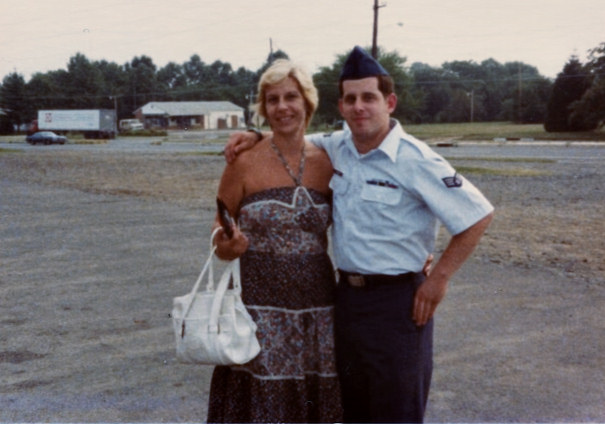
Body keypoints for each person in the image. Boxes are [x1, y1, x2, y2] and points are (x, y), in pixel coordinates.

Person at [224, 46, 494, 423]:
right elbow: (291, 131)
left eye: (369, 97)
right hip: (346, 303)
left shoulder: (416, 159)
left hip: (399, 305)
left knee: (396, 410)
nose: (359, 107)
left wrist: (439, 281)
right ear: (341, 106)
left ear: (390, 102)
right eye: (350, 99)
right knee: (350, 409)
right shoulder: (337, 147)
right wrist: (254, 134)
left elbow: (476, 215)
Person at [207, 59, 342, 423]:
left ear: (307, 103)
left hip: (318, 309)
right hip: (258, 311)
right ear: (263, 109)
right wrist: (226, 246)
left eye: (291, 97)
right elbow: (219, 231)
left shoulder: (330, 161)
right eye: (272, 100)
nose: (282, 107)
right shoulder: (243, 162)